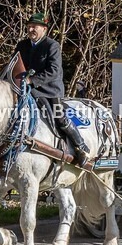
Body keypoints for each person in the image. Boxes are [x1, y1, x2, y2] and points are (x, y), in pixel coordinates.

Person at [14, 12, 89, 166]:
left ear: (44, 29)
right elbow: (13, 65)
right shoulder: (22, 45)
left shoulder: (52, 45)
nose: (31, 29)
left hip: (49, 90)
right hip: (26, 89)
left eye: (35, 27)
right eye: (29, 26)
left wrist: (31, 80)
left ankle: (80, 147)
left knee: (59, 116)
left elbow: (53, 71)